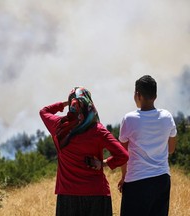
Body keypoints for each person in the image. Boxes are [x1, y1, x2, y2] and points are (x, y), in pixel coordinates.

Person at [39, 86, 129, 216]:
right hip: (97, 194)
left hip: (67, 195)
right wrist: (103, 163)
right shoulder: (98, 130)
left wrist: (65, 103)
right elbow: (123, 155)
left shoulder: (59, 126)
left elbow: (44, 111)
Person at [118, 75, 177, 216]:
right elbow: (171, 149)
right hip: (162, 180)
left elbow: (122, 153)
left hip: (136, 182)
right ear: (155, 95)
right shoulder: (167, 117)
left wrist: (124, 176)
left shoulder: (129, 119)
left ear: (137, 95)